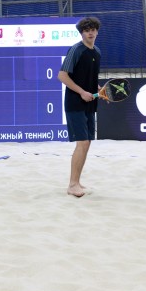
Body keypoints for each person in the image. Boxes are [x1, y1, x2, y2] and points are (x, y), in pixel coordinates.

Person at [57, 17, 102, 198]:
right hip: (75, 103)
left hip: (90, 102)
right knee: (82, 142)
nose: (90, 32)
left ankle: (77, 181)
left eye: (93, 29)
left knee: (87, 142)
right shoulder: (76, 50)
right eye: (86, 30)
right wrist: (82, 92)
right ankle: (72, 184)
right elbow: (62, 75)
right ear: (82, 33)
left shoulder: (97, 51)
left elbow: (88, 77)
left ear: (97, 31)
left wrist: (97, 89)